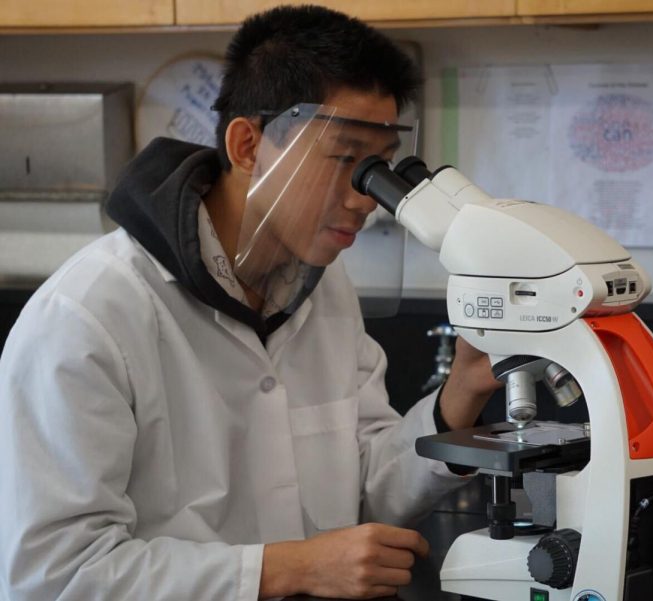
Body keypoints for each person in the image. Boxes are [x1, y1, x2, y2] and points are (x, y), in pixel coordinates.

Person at [0, 5, 499, 600]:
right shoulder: (88, 317)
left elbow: (367, 488)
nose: (367, 198)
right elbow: (54, 576)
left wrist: (462, 390)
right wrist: (290, 569)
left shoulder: (322, 290)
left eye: (379, 168)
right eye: (345, 159)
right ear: (247, 144)